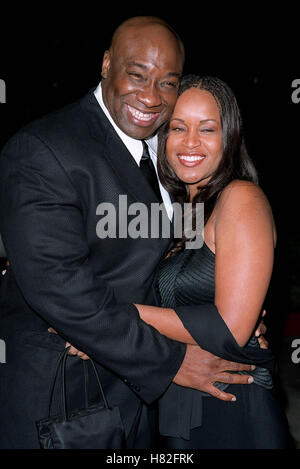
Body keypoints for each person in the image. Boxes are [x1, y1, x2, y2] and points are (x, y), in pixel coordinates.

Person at [0, 18, 264, 449]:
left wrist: (234, 308)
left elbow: (183, 258)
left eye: (167, 83)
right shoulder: (44, 149)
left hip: (144, 406)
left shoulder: (174, 152)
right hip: (64, 395)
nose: (150, 96)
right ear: (106, 65)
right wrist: (173, 362)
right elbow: (60, 288)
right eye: (137, 75)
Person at [129, 75, 290, 448]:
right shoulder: (182, 213)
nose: (190, 142)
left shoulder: (241, 199)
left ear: (229, 137)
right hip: (180, 399)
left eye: (207, 129)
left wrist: (114, 314)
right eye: (177, 128)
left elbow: (231, 328)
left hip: (233, 404)